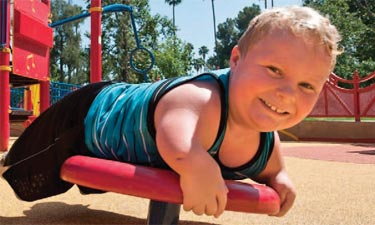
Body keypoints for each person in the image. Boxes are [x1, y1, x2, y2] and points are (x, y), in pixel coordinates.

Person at [1, 5, 341, 218]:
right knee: (28, 172)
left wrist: (280, 181)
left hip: (130, 140)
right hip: (93, 111)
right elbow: (175, 138)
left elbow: (273, 174)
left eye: (307, 86)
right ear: (235, 60)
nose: (286, 94)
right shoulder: (201, 98)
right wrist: (196, 162)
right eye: (274, 70)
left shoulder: (267, 143)